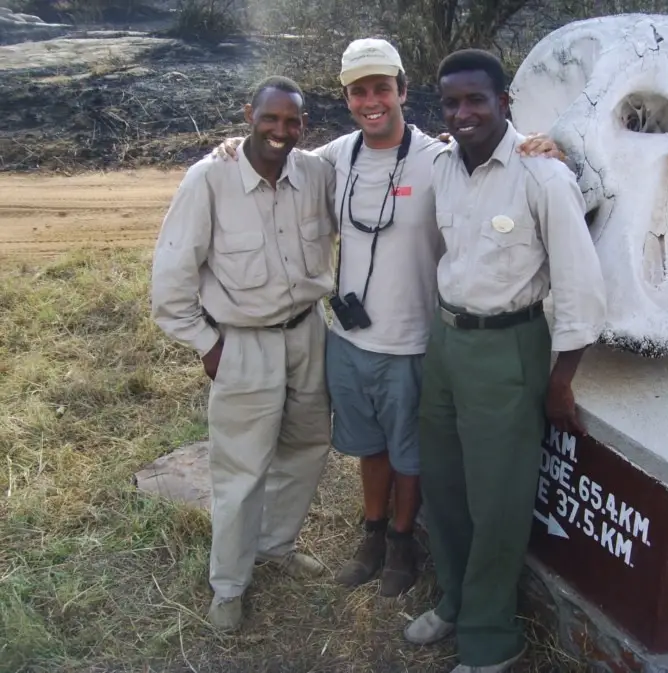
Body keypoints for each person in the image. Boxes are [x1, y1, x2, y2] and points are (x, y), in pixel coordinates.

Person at [212, 38, 561, 598]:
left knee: (410, 453)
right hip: (348, 341)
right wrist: (236, 143)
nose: (371, 100)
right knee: (368, 448)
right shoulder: (332, 159)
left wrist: (547, 145)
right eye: (358, 91)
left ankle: (404, 540)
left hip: (416, 340)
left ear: (402, 90)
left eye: (382, 88)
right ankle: (372, 533)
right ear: (347, 98)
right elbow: (273, 154)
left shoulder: (441, 157)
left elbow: (501, 169)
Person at [402, 49, 606, 673]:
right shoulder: (443, 167)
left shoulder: (541, 176)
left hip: (509, 349)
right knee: (444, 481)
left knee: (498, 500)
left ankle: (492, 639)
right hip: (448, 343)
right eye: (452, 102)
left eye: (476, 101)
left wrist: (560, 382)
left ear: (504, 104)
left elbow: (580, 291)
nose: (463, 113)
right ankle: (457, 600)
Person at [150, 75, 337, 632]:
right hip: (244, 344)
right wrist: (209, 347)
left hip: (308, 332)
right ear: (247, 115)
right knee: (241, 468)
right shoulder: (209, 179)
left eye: (292, 121)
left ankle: (276, 546)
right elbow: (171, 282)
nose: (280, 131)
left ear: (303, 126)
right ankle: (228, 586)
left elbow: (376, 158)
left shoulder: (317, 173)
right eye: (270, 118)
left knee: (307, 447)